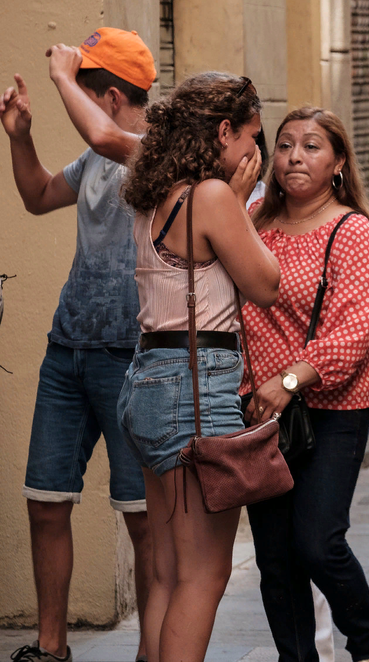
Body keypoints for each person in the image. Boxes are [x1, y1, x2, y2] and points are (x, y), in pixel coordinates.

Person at [2, 29, 156, 662]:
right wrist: (20, 137)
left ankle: (155, 648)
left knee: (143, 519)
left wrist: (64, 77)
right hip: (68, 350)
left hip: (132, 356)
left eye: (84, 90)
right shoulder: (94, 161)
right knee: (46, 499)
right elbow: (39, 196)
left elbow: (101, 137)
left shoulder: (152, 151)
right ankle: (51, 646)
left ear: (110, 97)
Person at [118, 72, 280, 662]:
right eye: (251, 138)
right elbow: (266, 284)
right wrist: (239, 202)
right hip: (193, 387)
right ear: (223, 131)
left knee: (166, 572)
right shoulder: (211, 197)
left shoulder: (156, 194)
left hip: (147, 384)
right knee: (204, 577)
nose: (255, 155)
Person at [240, 107, 369, 662]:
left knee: (316, 542)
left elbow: (355, 332)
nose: (294, 157)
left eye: (310, 146)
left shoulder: (353, 231)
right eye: (284, 146)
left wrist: (288, 380)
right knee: (276, 560)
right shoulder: (253, 220)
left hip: (331, 411)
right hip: (257, 414)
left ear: (338, 164)